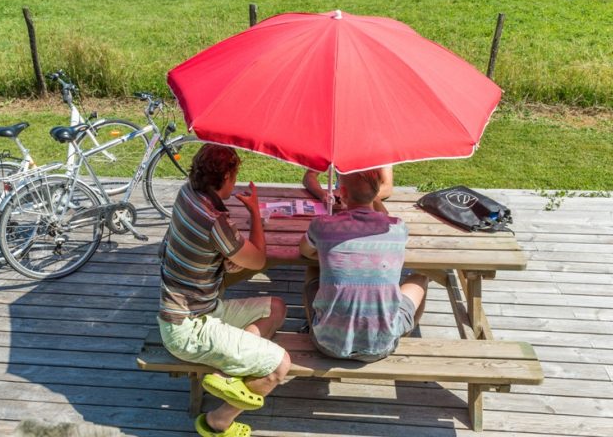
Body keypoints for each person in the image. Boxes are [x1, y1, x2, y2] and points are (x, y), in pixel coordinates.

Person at [157, 144, 291, 437]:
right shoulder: (215, 221)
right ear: (227, 176)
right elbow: (257, 260)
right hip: (186, 328)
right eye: (235, 175)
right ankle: (219, 422)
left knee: (277, 308)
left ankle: (227, 374)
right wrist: (255, 213)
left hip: (201, 309)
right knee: (279, 366)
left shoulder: (187, 193)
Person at [299, 169, 428, 362]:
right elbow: (385, 217)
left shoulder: (322, 225)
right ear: (378, 190)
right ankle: (402, 333)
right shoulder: (397, 227)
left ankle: (318, 322)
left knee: (312, 269)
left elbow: (305, 251)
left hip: (327, 344)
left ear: (342, 191)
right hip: (380, 346)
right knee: (421, 278)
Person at [303, 165, 393, 213]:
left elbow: (387, 188)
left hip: (367, 206)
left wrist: (353, 196)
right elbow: (309, 177)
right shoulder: (335, 144)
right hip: (342, 204)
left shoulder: (379, 146)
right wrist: (323, 195)